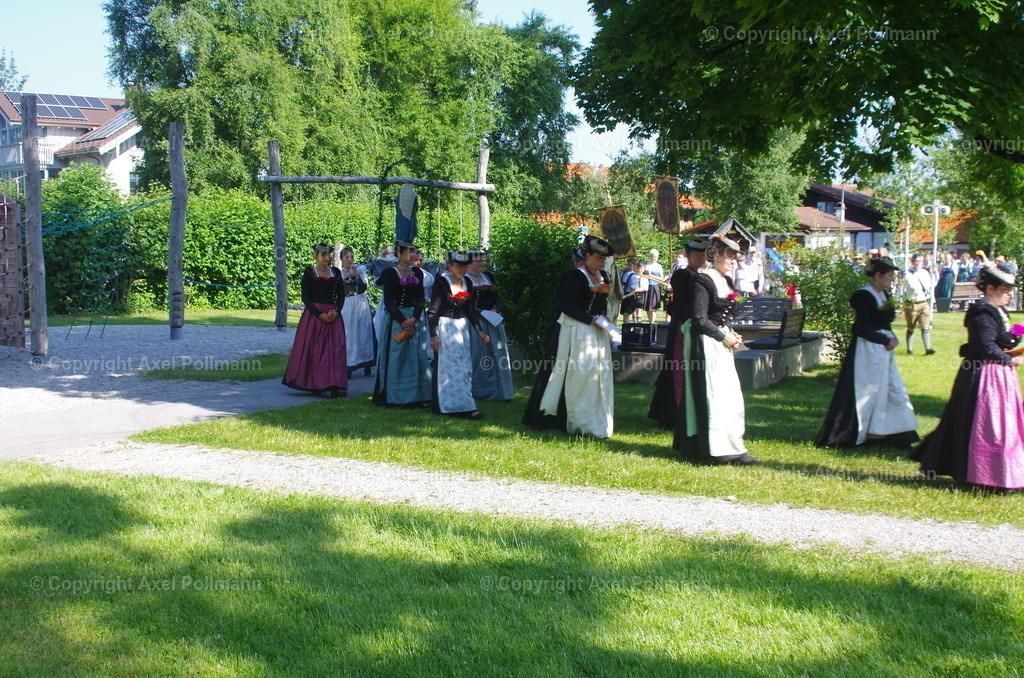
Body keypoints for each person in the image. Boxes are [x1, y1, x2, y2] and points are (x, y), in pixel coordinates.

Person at [911, 265, 1024, 490]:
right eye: (1005, 289)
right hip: (983, 375)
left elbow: (1000, 339)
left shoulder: (998, 310)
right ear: (990, 288)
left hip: (998, 375)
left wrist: (1015, 338)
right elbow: (985, 345)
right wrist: (1009, 359)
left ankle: (1003, 472)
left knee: (1004, 423)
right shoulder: (983, 312)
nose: (1009, 294)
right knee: (985, 424)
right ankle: (979, 473)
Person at [814, 257, 919, 448]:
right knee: (865, 391)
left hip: (883, 351)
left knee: (890, 388)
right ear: (878, 275)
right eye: (889, 275)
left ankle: (892, 434)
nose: (892, 279)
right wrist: (884, 339)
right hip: (866, 350)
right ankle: (853, 434)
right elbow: (861, 328)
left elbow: (884, 322)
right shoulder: (863, 296)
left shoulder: (885, 294)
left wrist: (890, 337)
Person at [523, 235, 616, 439]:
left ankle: (593, 417)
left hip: (596, 332)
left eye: (604, 259)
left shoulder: (603, 277)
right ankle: (565, 417)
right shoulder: (573, 276)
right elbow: (566, 306)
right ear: (587, 255)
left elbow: (600, 304)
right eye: (599, 258)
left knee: (594, 374)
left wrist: (604, 320)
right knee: (574, 373)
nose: (602, 262)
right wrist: (591, 320)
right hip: (576, 330)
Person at [673, 236, 756, 464]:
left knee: (729, 396)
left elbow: (719, 316)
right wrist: (723, 335)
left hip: (719, 343)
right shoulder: (702, 280)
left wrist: (731, 332)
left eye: (735, 256)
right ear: (714, 255)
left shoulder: (725, 280)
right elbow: (699, 318)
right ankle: (713, 449)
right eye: (728, 255)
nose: (733, 261)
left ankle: (731, 446)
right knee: (713, 396)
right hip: (704, 344)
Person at [649, 239, 709, 428]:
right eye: (696, 255)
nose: (700, 258)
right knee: (677, 369)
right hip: (683, 326)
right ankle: (672, 414)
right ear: (688, 256)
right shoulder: (682, 275)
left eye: (702, 255)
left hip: (691, 324)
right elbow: (682, 303)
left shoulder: (699, 275)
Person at [428, 250, 489, 419]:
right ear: (450, 266)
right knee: (447, 369)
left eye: (464, 266)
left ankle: (465, 405)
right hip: (445, 327)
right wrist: (433, 336)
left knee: (464, 368)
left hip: (462, 329)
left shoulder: (468, 282)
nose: (462, 269)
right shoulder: (441, 282)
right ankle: (447, 406)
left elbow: (470, 310)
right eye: (458, 265)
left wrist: (479, 331)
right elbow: (433, 311)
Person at [372, 241, 432, 407]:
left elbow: (421, 299)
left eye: (413, 252)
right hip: (396, 319)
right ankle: (395, 395)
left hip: (415, 318)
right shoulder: (390, 273)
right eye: (408, 252)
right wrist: (403, 321)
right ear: (399, 254)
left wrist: (414, 318)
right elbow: (389, 301)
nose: (412, 255)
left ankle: (419, 396)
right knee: (397, 356)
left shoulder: (417, 273)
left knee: (417, 355)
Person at [283, 243, 348, 397]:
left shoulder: (336, 272)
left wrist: (337, 311)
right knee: (315, 349)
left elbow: (341, 295)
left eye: (327, 255)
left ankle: (335, 384)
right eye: (322, 255)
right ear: (316, 257)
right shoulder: (310, 273)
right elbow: (305, 297)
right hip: (315, 316)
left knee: (335, 349)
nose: (326, 258)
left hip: (333, 315)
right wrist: (319, 314)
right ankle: (315, 383)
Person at [466, 250, 514, 402]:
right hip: (474, 321)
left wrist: (496, 309)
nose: (481, 263)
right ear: (468, 263)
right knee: (478, 353)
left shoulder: (489, 277)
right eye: (477, 261)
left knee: (497, 353)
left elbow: (498, 298)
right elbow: (465, 303)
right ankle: (477, 391)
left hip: (492, 321)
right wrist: (480, 312)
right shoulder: (465, 279)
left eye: (482, 260)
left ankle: (500, 391)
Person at [339, 247, 376, 377]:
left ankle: (366, 362)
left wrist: (355, 275)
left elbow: (363, 287)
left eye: (351, 257)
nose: (349, 260)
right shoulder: (339, 273)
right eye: (347, 257)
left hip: (360, 303)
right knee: (349, 335)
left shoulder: (360, 271)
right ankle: (349, 364)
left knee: (363, 333)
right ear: (342, 259)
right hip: (347, 304)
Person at [903, 253, 936, 355]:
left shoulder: (925, 273)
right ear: (912, 262)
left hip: (924, 302)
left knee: (925, 325)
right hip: (912, 303)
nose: (919, 263)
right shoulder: (907, 274)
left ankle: (928, 348)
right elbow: (902, 289)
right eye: (917, 261)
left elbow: (931, 286)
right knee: (911, 326)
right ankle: (909, 349)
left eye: (921, 261)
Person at [641, 248, 666, 323]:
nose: (654, 258)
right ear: (650, 256)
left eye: (656, 257)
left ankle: (652, 323)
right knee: (647, 306)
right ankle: (649, 322)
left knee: (653, 307)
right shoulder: (645, 264)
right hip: (646, 286)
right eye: (653, 256)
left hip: (654, 286)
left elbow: (661, 278)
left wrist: (651, 276)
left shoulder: (658, 266)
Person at [620, 257, 643, 323]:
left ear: (634, 266)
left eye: (630, 265)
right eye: (627, 264)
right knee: (624, 315)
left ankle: (627, 329)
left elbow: (633, 291)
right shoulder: (623, 274)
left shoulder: (633, 276)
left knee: (626, 314)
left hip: (629, 297)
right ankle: (625, 328)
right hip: (623, 295)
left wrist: (626, 296)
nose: (628, 266)